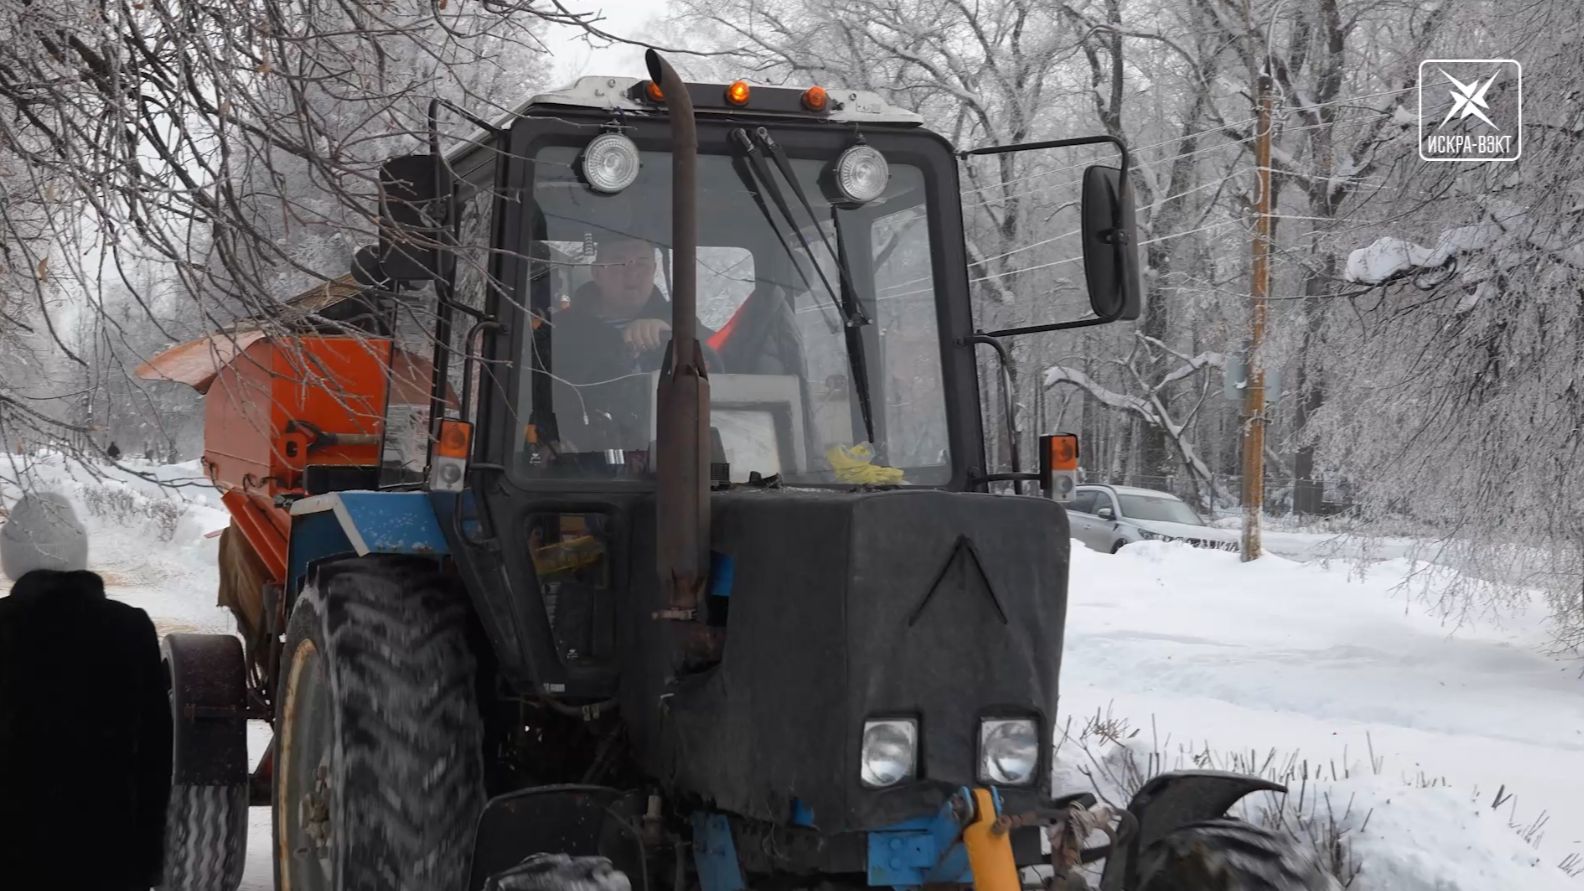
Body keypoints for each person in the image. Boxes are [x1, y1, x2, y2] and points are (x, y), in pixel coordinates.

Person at [0, 491, 170, 890]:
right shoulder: (130, 629)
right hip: (107, 856)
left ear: (12, 557)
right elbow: (156, 757)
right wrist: (148, 861)